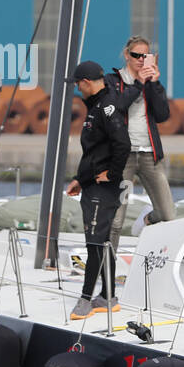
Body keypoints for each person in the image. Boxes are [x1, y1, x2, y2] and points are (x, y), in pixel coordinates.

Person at [65, 61, 130, 321]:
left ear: (87, 83)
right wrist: (80, 179)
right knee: (102, 244)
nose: (77, 90)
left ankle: (84, 300)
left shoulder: (106, 107)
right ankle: (108, 296)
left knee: (93, 244)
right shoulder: (97, 106)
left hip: (102, 190)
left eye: (78, 85)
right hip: (92, 185)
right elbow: (95, 152)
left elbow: (122, 145)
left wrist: (112, 175)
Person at [106, 35, 176, 254]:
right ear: (127, 55)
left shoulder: (150, 83)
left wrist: (154, 84)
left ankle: (146, 219)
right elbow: (117, 107)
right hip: (122, 159)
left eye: (145, 56)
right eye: (136, 55)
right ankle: (105, 267)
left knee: (167, 215)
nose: (140, 60)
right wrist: (139, 84)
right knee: (116, 221)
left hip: (149, 156)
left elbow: (163, 114)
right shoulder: (112, 81)